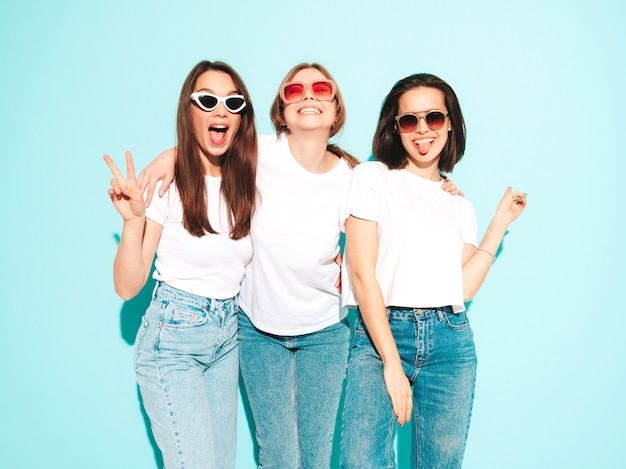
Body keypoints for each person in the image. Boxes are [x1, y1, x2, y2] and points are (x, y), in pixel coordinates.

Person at [138, 64, 462, 469]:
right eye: (295, 90)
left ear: (335, 106)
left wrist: (443, 186)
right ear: (281, 108)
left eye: (320, 88)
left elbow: (401, 197)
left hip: (324, 332)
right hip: (258, 331)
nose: (308, 95)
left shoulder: (353, 174)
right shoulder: (257, 151)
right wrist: (168, 157)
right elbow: (208, 146)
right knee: (278, 456)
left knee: (314, 457)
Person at [339, 73, 527, 468]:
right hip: (380, 335)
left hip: (450, 341)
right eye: (410, 120)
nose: (422, 129)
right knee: (361, 460)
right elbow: (361, 274)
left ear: (450, 123)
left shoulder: (458, 204)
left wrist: (499, 223)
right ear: (396, 127)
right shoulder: (372, 177)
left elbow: (463, 288)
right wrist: (391, 360)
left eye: (434, 118)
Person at [104, 60, 257, 469]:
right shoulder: (166, 185)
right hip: (173, 338)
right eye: (207, 100)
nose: (220, 110)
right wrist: (134, 221)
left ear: (242, 117)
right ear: (189, 113)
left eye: (232, 101)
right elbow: (127, 286)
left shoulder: (251, 184)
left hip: (228, 338)